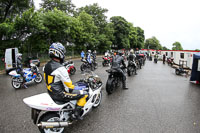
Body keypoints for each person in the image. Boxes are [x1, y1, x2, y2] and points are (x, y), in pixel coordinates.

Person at [43, 42, 88, 120]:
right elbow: (69, 87)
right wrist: (79, 87)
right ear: (59, 53)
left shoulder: (46, 66)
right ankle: (76, 114)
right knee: (84, 94)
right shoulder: (61, 69)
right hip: (60, 94)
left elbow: (55, 81)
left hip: (51, 92)